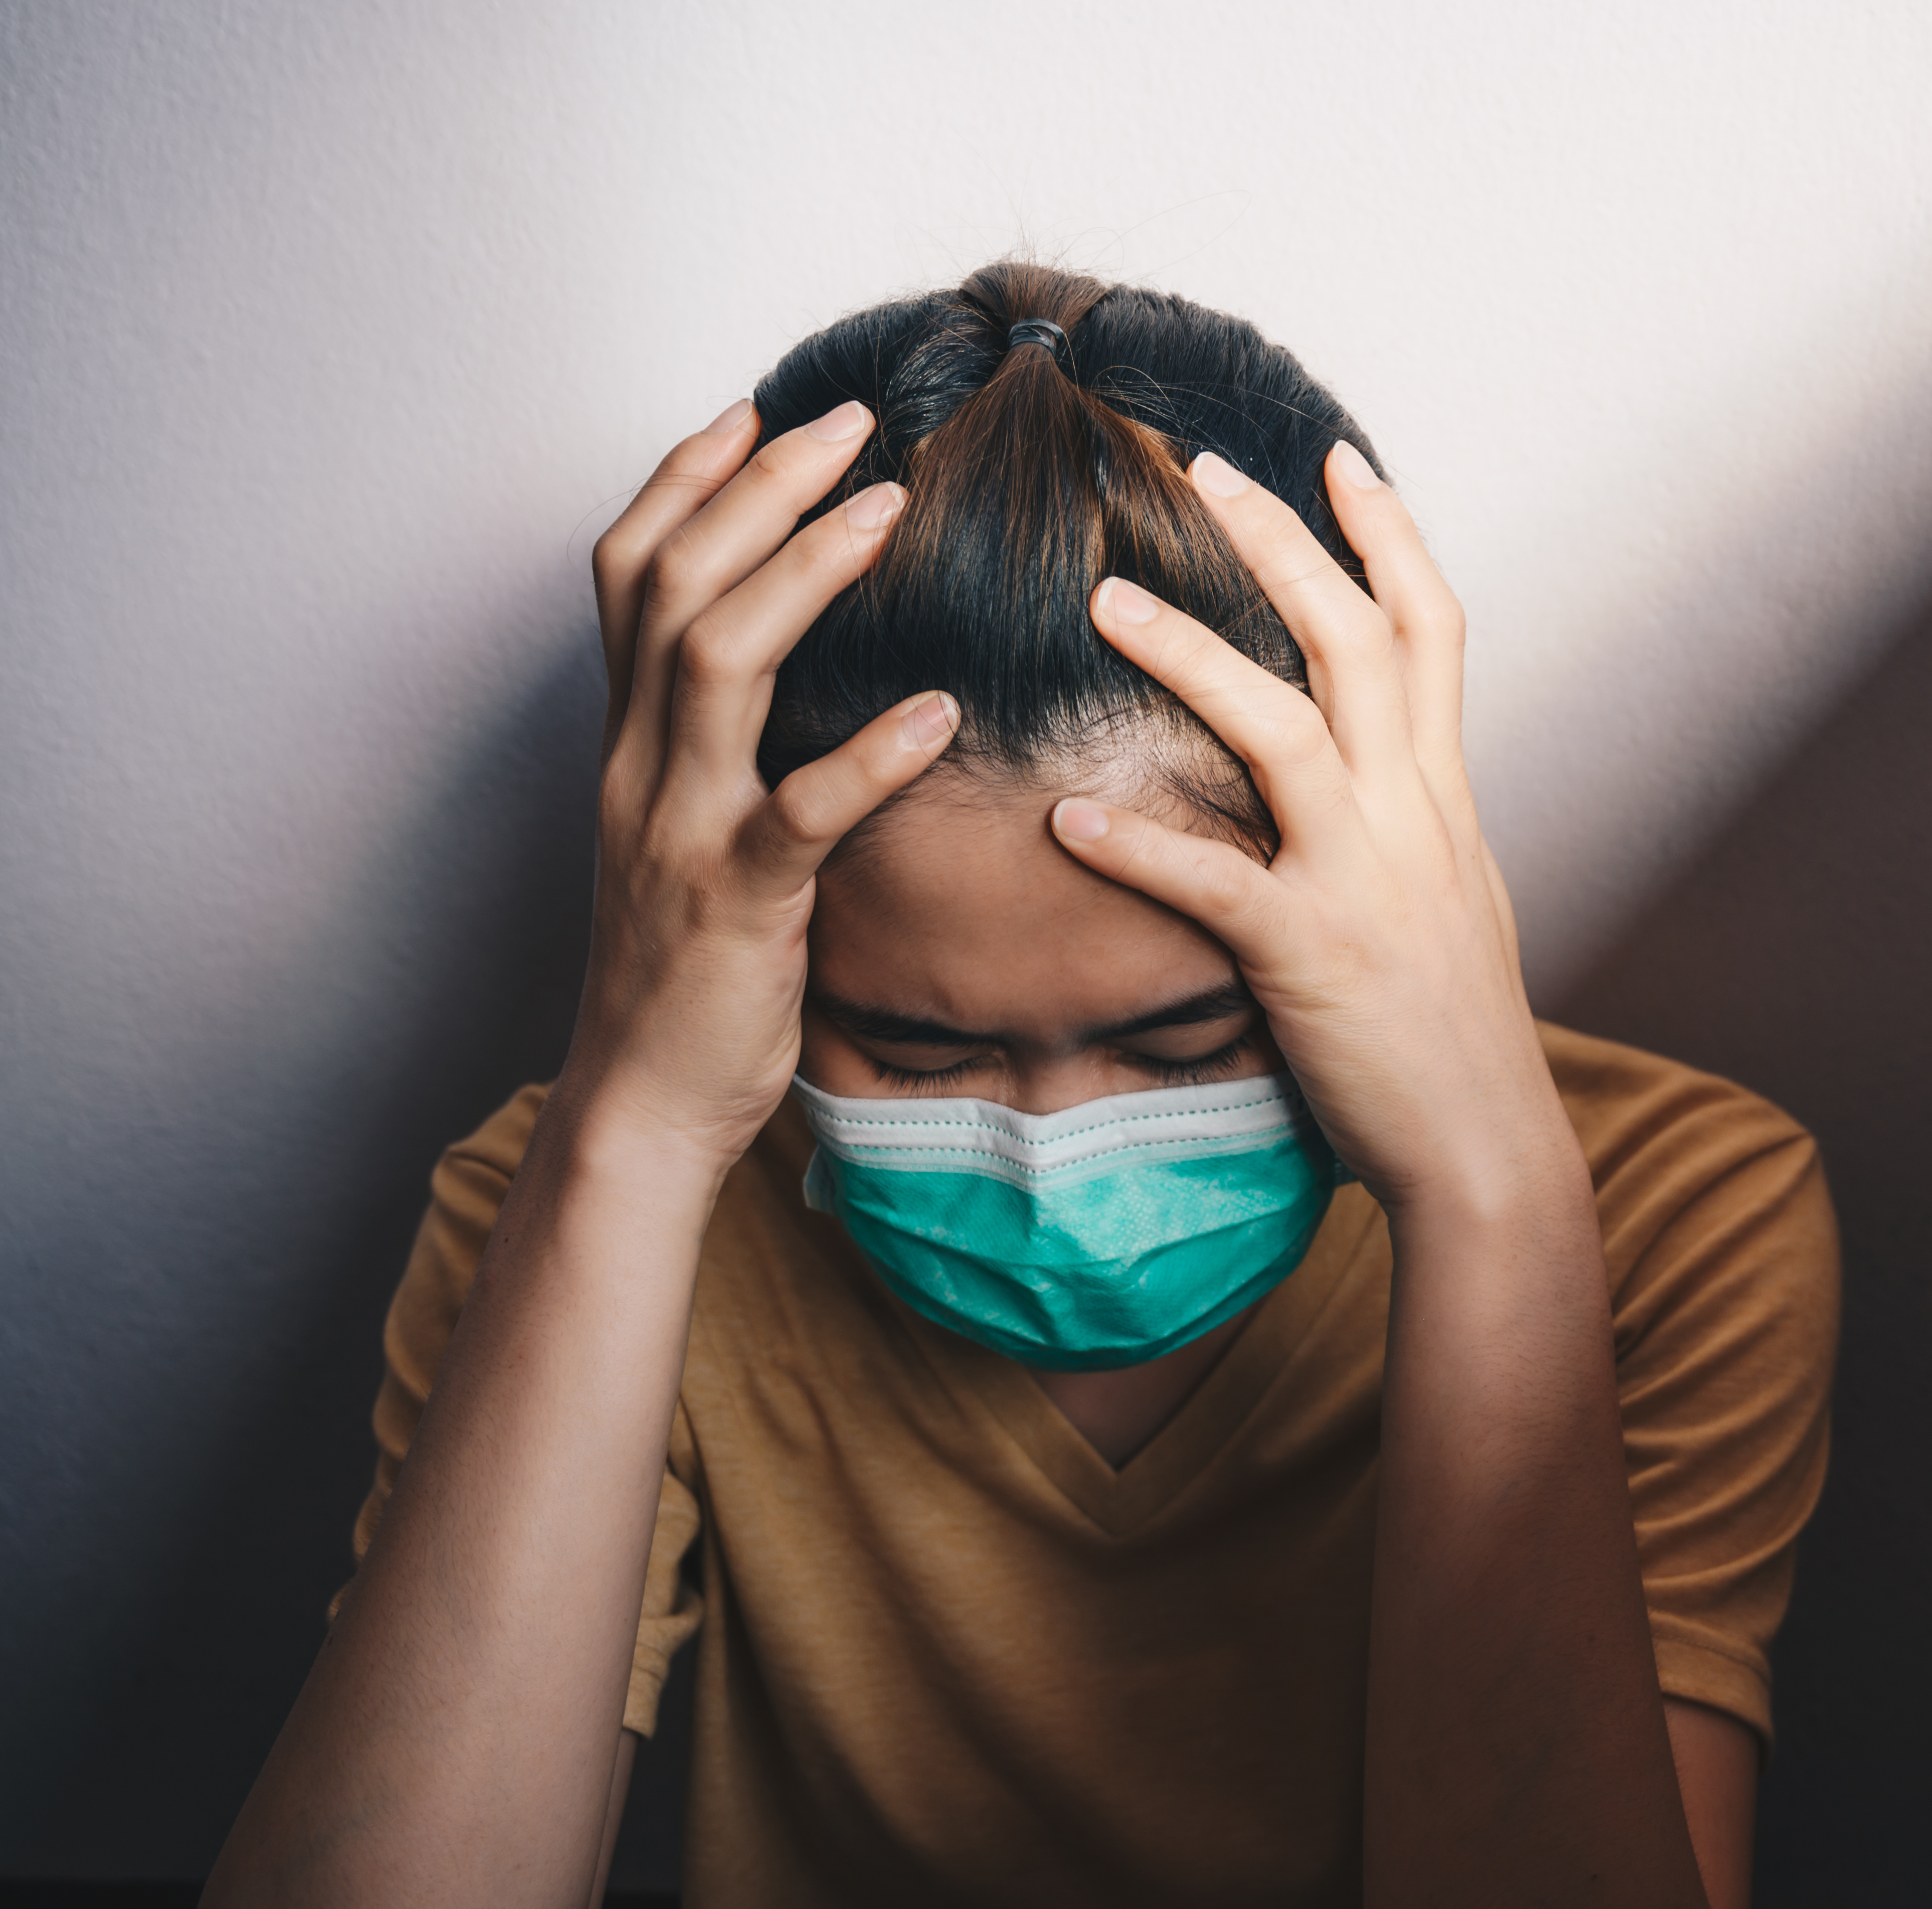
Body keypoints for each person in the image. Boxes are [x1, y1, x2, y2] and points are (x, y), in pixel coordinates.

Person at [205, 260, 1838, 1909]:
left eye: (1187, 1041)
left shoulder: (1671, 1214)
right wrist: (632, 1129)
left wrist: (1487, 1190)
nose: (1053, 1156)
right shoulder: (578, 1206)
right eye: (917, 1049)